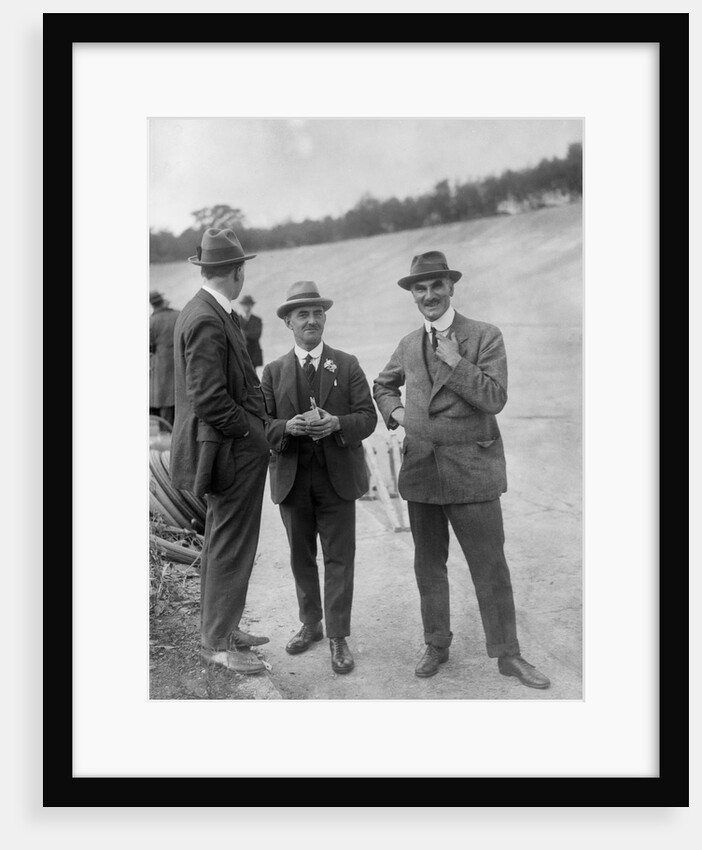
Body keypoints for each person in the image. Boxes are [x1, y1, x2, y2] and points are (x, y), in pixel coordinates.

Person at [373, 250, 550, 688]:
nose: (429, 294)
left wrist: (456, 361)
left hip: (473, 471)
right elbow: (382, 384)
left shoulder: (484, 336)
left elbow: (494, 398)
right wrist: (396, 414)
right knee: (428, 565)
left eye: (437, 285)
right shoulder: (408, 344)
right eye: (420, 288)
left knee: (490, 566)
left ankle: (508, 655)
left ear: (451, 287)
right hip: (422, 472)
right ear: (412, 295)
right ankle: (437, 644)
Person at [262, 280, 377, 674]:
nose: (311, 320)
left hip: (337, 479)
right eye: (302, 315)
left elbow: (368, 417)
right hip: (292, 480)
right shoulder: (273, 372)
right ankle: (310, 624)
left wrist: (337, 424)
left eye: (317, 313)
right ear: (288, 323)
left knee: (340, 558)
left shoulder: (347, 364)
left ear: (324, 318)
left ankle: (338, 636)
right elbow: (260, 425)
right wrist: (286, 428)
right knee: (300, 556)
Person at [169, 228, 271, 675]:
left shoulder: (205, 310)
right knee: (231, 544)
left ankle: (223, 629)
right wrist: (251, 433)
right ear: (238, 271)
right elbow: (209, 397)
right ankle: (216, 643)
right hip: (229, 452)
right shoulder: (209, 317)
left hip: (221, 450)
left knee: (219, 542)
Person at [149, 290, 179, 426]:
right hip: (180, 362)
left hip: (162, 366)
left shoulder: (152, 321)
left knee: (165, 401)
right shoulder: (177, 315)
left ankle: (167, 435)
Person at [236, 294, 264, 377]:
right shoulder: (237, 319)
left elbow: (257, 335)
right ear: (242, 306)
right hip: (240, 352)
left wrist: (243, 333)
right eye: (245, 305)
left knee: (252, 375)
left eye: (249, 305)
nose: (247, 308)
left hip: (253, 352)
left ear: (252, 306)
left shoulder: (257, 320)